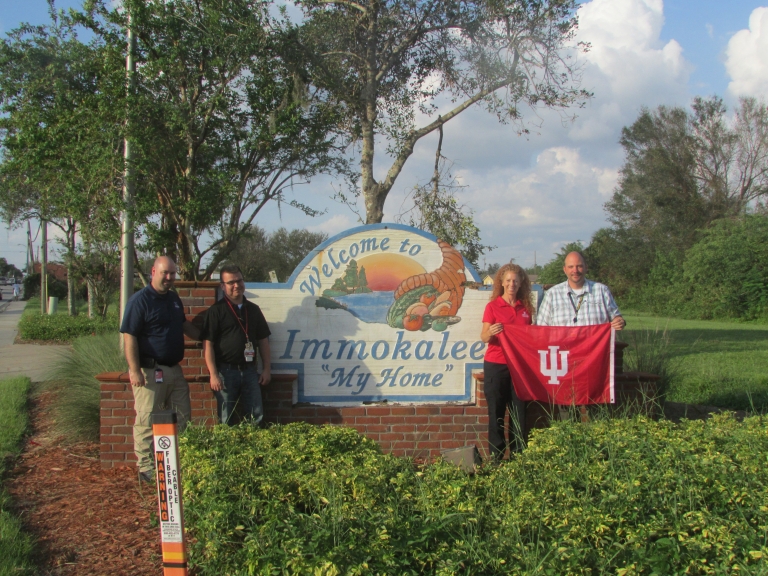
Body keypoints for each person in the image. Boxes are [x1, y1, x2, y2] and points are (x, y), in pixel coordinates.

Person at [120, 256, 200, 483]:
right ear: (153, 271)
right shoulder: (140, 301)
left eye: (172, 274)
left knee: (183, 416)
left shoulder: (174, 299)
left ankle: (181, 461)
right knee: (146, 420)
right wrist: (134, 370)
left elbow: (184, 325)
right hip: (149, 371)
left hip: (174, 370)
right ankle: (147, 469)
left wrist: (204, 336)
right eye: (165, 273)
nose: (169, 278)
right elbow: (130, 336)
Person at [202, 265, 271, 425]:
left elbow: (263, 341)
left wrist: (267, 369)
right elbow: (208, 345)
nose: (236, 285)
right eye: (231, 282)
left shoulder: (253, 310)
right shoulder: (216, 311)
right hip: (225, 373)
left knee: (256, 417)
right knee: (226, 418)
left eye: (239, 280)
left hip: (250, 371)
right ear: (222, 286)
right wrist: (213, 374)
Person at [480, 263, 534, 460]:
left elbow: (531, 338)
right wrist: (491, 332)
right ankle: (496, 457)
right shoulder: (493, 307)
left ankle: (518, 455)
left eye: (515, 281)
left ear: (521, 284)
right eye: (508, 281)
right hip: (497, 365)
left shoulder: (526, 308)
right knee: (497, 413)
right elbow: (484, 337)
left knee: (519, 412)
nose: (512, 284)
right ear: (501, 283)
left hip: (520, 367)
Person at [536, 251, 625, 330]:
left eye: (579, 266)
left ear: (586, 267)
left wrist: (619, 321)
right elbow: (541, 328)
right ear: (565, 270)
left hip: (594, 348)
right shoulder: (552, 294)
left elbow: (616, 318)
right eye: (571, 267)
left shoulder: (602, 290)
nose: (575, 270)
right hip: (564, 348)